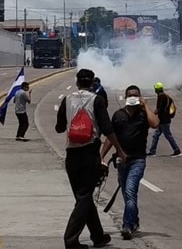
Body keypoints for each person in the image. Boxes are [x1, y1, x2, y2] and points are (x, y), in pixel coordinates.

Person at [55, 68, 126, 249]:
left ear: (78, 82)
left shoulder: (67, 99)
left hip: (72, 155)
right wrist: (120, 150)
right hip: (89, 154)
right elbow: (107, 128)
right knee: (85, 197)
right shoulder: (97, 100)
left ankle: (98, 236)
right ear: (92, 83)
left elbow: (59, 128)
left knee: (82, 197)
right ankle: (70, 240)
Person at [100, 85, 159, 240]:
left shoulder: (143, 115)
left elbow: (155, 124)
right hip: (121, 161)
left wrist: (145, 105)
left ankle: (127, 226)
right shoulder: (118, 115)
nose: (132, 97)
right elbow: (110, 138)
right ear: (125, 97)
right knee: (127, 195)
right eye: (130, 95)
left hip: (137, 161)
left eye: (135, 95)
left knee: (130, 191)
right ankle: (134, 220)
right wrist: (101, 157)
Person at [147, 82, 182, 157]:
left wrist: (150, 115)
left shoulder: (161, 97)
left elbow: (158, 110)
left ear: (157, 89)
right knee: (156, 135)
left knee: (168, 136)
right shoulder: (165, 96)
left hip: (164, 121)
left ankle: (177, 150)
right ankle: (152, 151)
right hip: (163, 120)